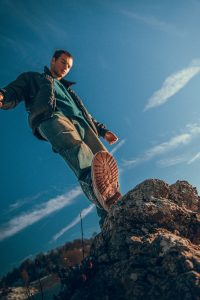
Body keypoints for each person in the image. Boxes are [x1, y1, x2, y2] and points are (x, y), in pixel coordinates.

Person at [0, 49, 122, 225]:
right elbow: (14, 91)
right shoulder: (34, 78)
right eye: (63, 62)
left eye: (69, 66)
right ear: (53, 60)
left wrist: (102, 131)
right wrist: (3, 96)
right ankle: (98, 193)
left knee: (103, 163)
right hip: (51, 116)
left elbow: (85, 113)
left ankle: (111, 215)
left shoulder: (69, 90)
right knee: (77, 150)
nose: (66, 67)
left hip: (83, 124)